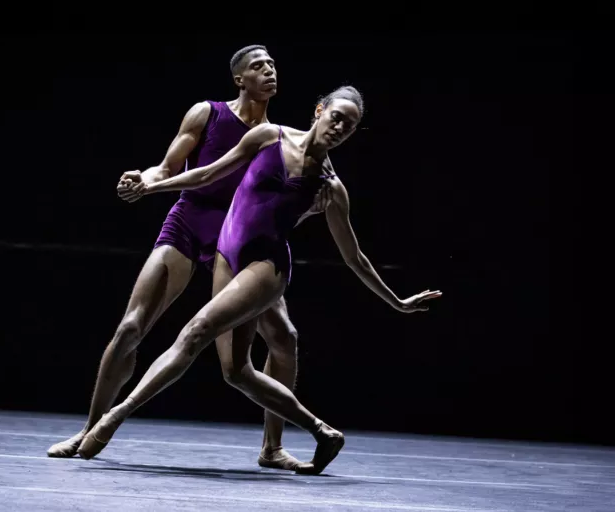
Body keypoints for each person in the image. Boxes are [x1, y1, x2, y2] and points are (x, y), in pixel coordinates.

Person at [76, 85, 442, 475]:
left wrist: (397, 302)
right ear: (319, 110)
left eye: (349, 127)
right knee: (236, 372)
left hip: (265, 268)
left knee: (195, 331)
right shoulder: (269, 136)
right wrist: (153, 185)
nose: (340, 127)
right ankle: (322, 432)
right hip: (225, 254)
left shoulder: (330, 188)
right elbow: (208, 173)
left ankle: (114, 416)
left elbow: (355, 258)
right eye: (337, 117)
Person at [47, 45, 331, 471]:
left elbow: (278, 211)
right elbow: (167, 168)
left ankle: (272, 448)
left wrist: (310, 210)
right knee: (131, 327)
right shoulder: (208, 113)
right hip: (189, 223)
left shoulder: (278, 139)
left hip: (237, 240)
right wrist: (141, 178)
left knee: (283, 337)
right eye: (258, 66)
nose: (269, 71)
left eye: (273, 65)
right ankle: (91, 429)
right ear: (239, 79)